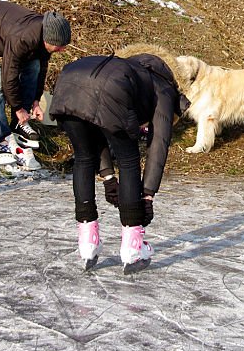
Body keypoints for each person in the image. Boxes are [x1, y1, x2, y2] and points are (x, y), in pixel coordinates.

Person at [48, 44, 189, 274]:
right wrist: (147, 195)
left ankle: (88, 244)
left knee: (83, 157)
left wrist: (107, 176)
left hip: (67, 84)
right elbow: (158, 144)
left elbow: (99, 123)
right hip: (98, 89)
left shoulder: (123, 68)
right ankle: (133, 248)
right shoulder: (163, 85)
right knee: (129, 159)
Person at [0, 0, 71, 145]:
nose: (62, 50)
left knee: (34, 67)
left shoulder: (48, 34)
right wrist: (18, 107)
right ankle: (0, 134)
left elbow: (41, 69)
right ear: (47, 40)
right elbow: (9, 75)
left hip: (5, 29)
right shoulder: (22, 38)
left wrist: (35, 101)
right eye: (59, 46)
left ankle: (20, 124)